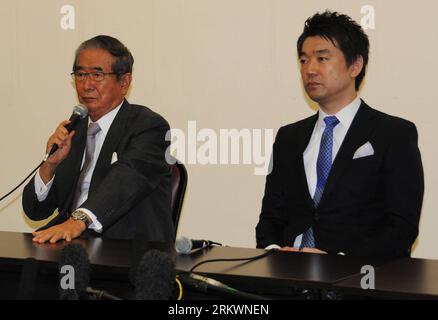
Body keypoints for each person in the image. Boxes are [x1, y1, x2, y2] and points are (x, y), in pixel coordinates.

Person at [256, 11, 424, 260]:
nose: (310, 70)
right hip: (288, 279)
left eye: (322, 58)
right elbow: (271, 217)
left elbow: (402, 225)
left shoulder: (394, 134)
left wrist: (340, 261)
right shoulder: (288, 137)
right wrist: (274, 254)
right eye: (303, 60)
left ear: (355, 65)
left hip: (358, 281)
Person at [22, 35, 174, 243]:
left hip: (124, 251)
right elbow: (36, 211)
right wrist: (50, 165)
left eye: (97, 75)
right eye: (81, 74)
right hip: (72, 246)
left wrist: (79, 220)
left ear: (124, 82)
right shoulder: (74, 129)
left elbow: (125, 179)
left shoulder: (149, 127)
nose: (86, 85)